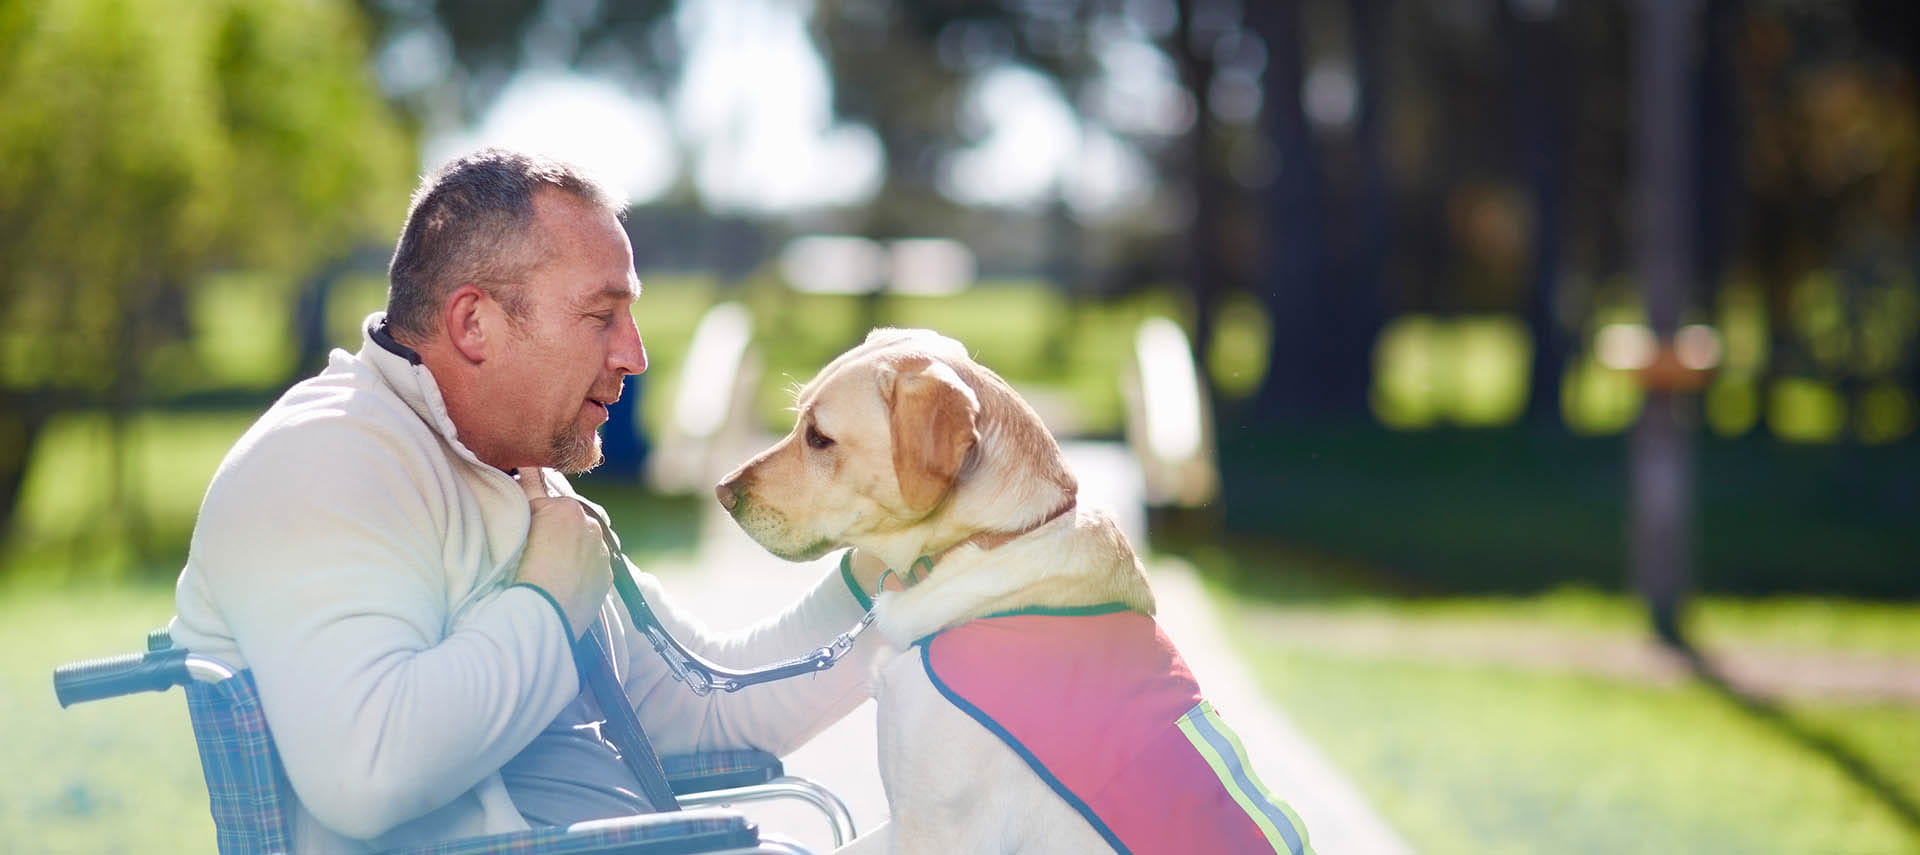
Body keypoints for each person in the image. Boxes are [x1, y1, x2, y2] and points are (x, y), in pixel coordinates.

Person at [170, 148, 889, 852]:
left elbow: (703, 707)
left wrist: (897, 568)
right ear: (473, 323)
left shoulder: (511, 471)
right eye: (601, 315)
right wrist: (546, 600)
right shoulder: (325, 461)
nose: (635, 355)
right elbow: (366, 773)